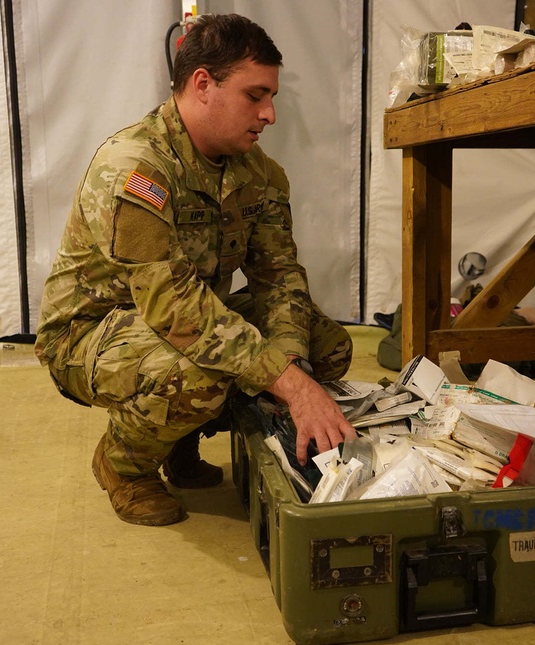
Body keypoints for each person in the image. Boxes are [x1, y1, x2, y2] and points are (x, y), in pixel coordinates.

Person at [34, 13, 356, 527]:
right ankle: (124, 465)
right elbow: (173, 307)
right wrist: (291, 387)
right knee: (197, 371)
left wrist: (294, 359)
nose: (270, 113)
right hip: (90, 334)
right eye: (255, 96)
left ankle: (178, 439)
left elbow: (279, 278)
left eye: (272, 96)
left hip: (178, 321)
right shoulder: (137, 169)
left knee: (327, 344)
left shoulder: (261, 175)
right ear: (203, 85)